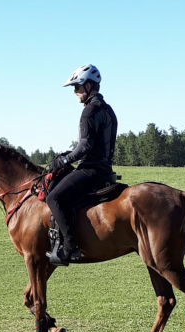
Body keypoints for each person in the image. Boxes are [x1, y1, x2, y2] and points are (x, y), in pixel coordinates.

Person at [46, 64, 118, 263]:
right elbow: (93, 144)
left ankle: (69, 247)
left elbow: (85, 147)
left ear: (88, 86)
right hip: (106, 170)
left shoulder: (90, 111)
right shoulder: (107, 109)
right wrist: (67, 154)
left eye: (77, 87)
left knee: (54, 198)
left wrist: (63, 160)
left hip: (91, 170)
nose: (75, 92)